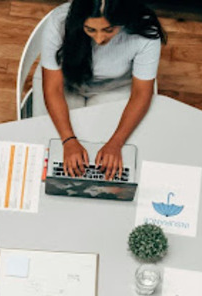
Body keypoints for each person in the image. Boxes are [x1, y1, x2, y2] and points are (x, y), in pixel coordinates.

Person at [33, 0, 166, 180]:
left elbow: (141, 93)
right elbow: (53, 88)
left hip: (114, 87)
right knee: (49, 150)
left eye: (109, 30)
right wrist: (68, 140)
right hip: (66, 84)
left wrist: (116, 143)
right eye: (90, 29)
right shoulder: (59, 23)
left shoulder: (144, 32)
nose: (99, 39)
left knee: (110, 156)